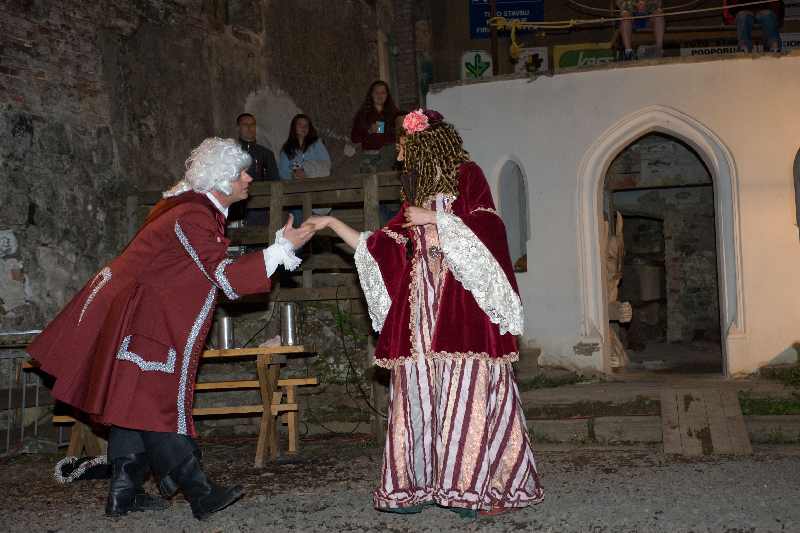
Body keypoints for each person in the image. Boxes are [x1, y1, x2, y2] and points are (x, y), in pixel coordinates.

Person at [27, 138, 313, 520]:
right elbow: (225, 276)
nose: (248, 178)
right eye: (241, 173)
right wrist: (280, 251)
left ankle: (124, 494)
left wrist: (276, 247)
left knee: (134, 404)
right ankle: (200, 492)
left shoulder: (189, 207)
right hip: (146, 322)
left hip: (140, 317)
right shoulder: (193, 216)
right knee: (156, 406)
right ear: (220, 181)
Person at [304, 110, 544, 517]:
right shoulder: (414, 192)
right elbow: (380, 246)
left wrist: (436, 218)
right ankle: (416, 486)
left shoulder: (467, 176)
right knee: (418, 393)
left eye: (402, 143)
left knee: (466, 392)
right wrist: (330, 223)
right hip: (420, 313)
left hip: (461, 309)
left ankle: (473, 489)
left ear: (424, 143)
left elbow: (490, 229)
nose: (397, 152)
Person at [232, 113, 280, 224]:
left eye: (252, 124)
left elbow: (275, 181)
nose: (250, 128)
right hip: (236, 204)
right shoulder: (232, 152)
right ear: (238, 128)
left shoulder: (266, 154)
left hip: (259, 206)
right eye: (245, 125)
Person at [350, 80, 401, 173]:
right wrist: (369, 131)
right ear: (371, 94)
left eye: (383, 93)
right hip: (370, 159)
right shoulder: (363, 114)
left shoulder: (394, 113)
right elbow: (354, 138)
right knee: (370, 181)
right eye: (376, 92)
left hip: (390, 158)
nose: (380, 95)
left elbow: (400, 132)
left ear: (387, 95)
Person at [278, 114, 331, 181]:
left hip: (316, 182)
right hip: (296, 184)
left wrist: (306, 170)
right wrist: (293, 175)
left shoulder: (316, 143)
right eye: (300, 124)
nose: (303, 127)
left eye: (306, 125)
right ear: (294, 127)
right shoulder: (287, 148)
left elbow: (327, 164)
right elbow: (282, 172)